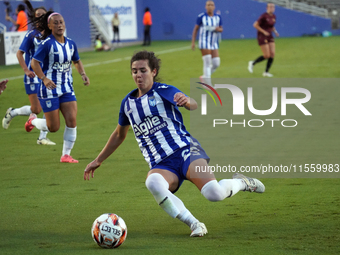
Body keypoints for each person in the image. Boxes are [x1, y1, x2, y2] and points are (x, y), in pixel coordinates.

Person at [84, 50, 265, 237]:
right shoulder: (127, 104)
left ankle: (242, 182)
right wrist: (98, 160)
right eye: (134, 71)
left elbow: (193, 103)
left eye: (143, 70)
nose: (138, 75)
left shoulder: (164, 91)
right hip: (161, 165)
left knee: (214, 193)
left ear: (153, 71)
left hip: (185, 150)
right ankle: (194, 224)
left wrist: (187, 101)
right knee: (152, 182)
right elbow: (118, 135)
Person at [25, 11, 90, 163]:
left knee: (72, 121)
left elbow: (77, 61)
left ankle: (65, 155)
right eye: (55, 23)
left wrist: (83, 74)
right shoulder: (47, 44)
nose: (59, 25)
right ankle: (32, 120)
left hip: (67, 88)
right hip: (49, 88)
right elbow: (34, 63)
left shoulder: (71, 43)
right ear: (49, 26)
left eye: (61, 22)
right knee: (53, 127)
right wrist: (44, 78)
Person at [2, 5, 55, 145]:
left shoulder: (51, 35)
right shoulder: (31, 34)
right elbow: (19, 53)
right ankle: (12, 112)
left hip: (46, 75)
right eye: (37, 15)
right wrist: (26, 70)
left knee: (50, 104)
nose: (40, 17)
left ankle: (42, 137)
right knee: (36, 109)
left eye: (43, 15)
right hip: (32, 75)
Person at [191, 1, 222, 85]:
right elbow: (196, 29)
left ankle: (204, 77)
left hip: (214, 42)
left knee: (216, 63)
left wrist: (218, 29)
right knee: (207, 62)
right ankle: (208, 84)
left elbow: (221, 29)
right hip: (204, 42)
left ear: (214, 7)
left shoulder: (218, 17)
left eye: (211, 5)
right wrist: (193, 42)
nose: (210, 6)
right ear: (205, 7)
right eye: (208, 5)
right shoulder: (201, 17)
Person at [248, 2, 279, 77]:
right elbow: (255, 25)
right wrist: (264, 32)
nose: (272, 8)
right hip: (262, 36)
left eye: (273, 7)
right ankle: (252, 63)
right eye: (270, 7)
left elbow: (271, 26)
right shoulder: (263, 16)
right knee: (267, 55)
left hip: (270, 36)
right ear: (267, 8)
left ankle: (266, 72)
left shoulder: (274, 16)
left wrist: (275, 32)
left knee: (272, 54)